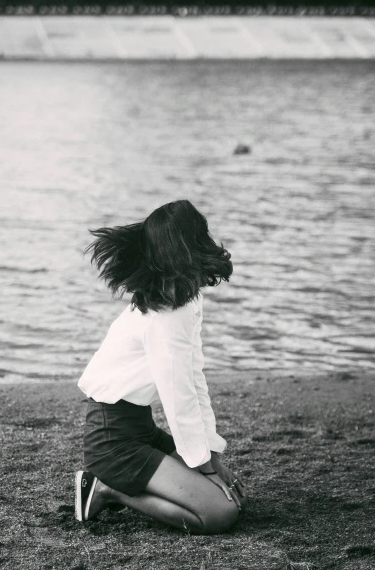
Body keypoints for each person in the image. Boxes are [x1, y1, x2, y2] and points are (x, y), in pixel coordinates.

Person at [75, 199, 248, 534]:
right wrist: (205, 468)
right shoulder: (166, 314)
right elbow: (178, 397)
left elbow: (195, 379)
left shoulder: (183, 297)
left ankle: (116, 486)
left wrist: (212, 457)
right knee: (219, 514)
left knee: (235, 501)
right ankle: (108, 489)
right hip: (113, 442)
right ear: (191, 242)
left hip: (137, 430)